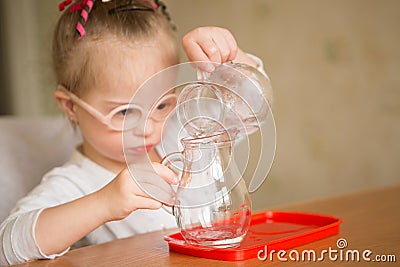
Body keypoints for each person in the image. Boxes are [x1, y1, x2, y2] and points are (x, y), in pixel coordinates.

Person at [0, 0, 270, 265]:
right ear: (71, 106)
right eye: (125, 112)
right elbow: (7, 247)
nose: (148, 129)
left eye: (162, 104)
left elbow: (252, 109)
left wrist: (229, 63)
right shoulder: (75, 184)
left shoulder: (183, 134)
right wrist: (104, 204)